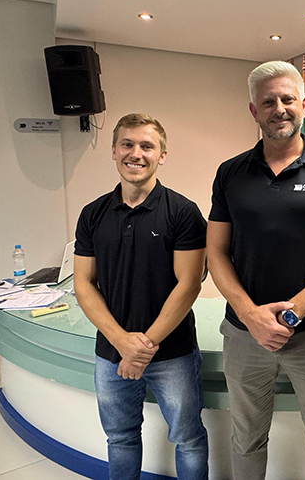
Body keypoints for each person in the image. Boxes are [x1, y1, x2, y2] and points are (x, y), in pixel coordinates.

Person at [207, 61, 305, 480]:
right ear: (253, 111)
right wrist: (251, 316)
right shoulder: (230, 173)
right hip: (244, 335)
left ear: (304, 105)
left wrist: (290, 315)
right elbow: (216, 253)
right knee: (246, 438)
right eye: (268, 102)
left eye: (287, 99)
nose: (279, 109)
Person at [74, 113, 208, 480]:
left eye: (147, 146)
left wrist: (143, 347)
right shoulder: (92, 214)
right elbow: (83, 283)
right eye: (127, 145)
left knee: (188, 439)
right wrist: (122, 342)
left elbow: (189, 284)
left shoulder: (183, 212)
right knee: (120, 438)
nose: (136, 154)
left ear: (161, 155)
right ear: (113, 151)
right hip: (111, 353)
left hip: (172, 353)